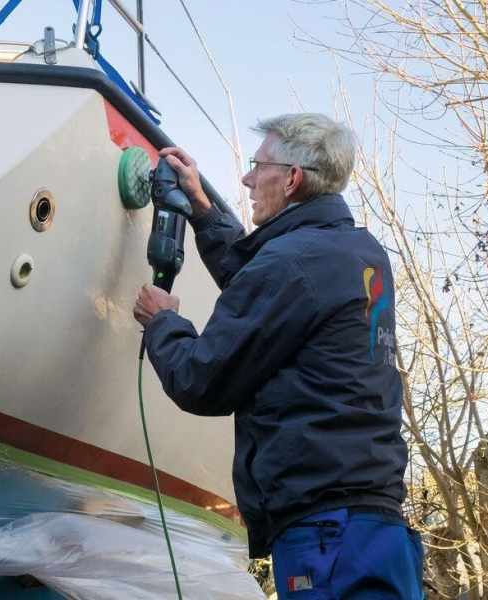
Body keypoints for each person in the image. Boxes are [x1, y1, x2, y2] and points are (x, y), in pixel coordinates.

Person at [133, 113, 423, 598]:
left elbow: (201, 380)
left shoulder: (293, 263)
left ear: (291, 178)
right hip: (377, 530)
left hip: (327, 538)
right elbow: (272, 298)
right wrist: (205, 214)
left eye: (257, 165)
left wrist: (165, 323)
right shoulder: (357, 252)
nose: (246, 178)